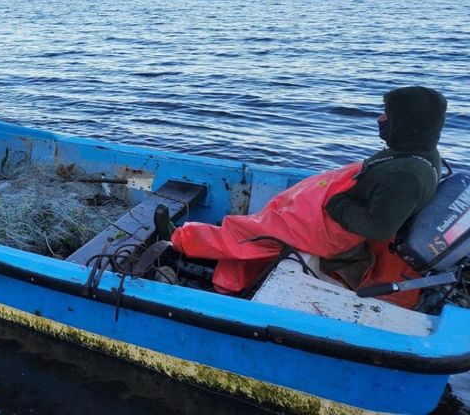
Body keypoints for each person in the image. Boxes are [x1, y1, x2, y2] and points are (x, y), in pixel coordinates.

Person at [155, 86, 447, 308]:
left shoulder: (407, 175)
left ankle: (179, 240)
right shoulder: (420, 153)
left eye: (389, 114)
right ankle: (227, 280)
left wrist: (336, 204)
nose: (381, 118)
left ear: (409, 122)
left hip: (329, 229)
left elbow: (378, 226)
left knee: (249, 234)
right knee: (260, 224)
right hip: (322, 219)